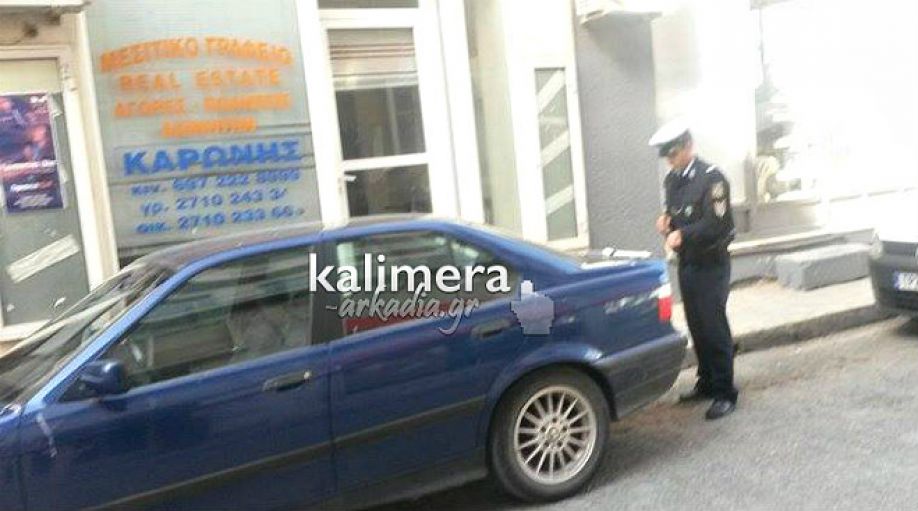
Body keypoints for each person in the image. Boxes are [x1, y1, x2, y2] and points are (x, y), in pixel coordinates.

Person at [649, 119, 738, 420]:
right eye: (666, 156)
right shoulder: (672, 180)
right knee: (696, 325)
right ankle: (707, 381)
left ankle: (725, 391)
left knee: (714, 326)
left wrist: (683, 234)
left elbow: (718, 224)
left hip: (712, 263)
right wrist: (666, 223)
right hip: (688, 263)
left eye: (673, 154)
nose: (670, 161)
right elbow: (676, 214)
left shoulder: (713, 179)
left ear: (688, 146)